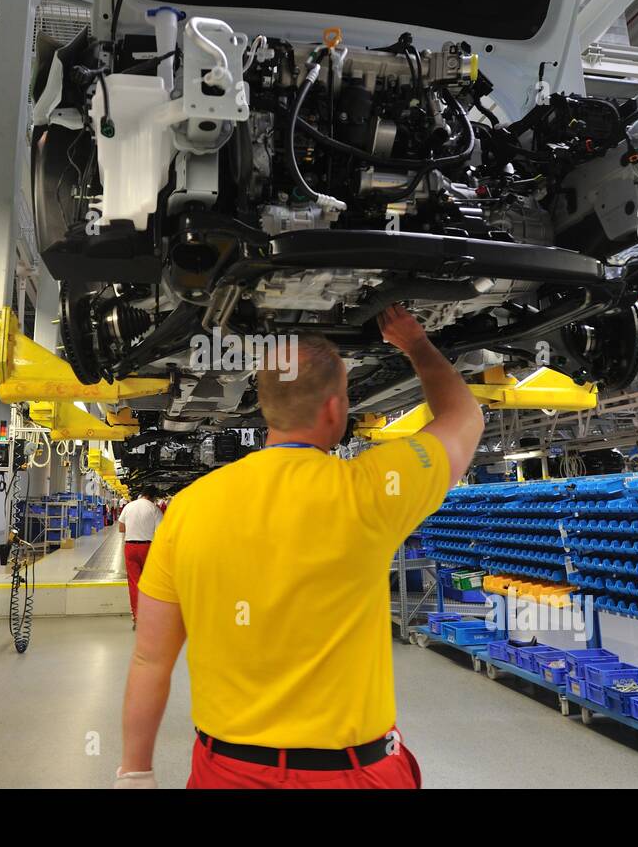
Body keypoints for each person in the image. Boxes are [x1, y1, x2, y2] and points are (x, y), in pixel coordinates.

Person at [115, 305, 484, 789]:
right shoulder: (374, 487)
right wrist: (415, 343)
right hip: (354, 774)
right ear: (335, 408)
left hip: (228, 772)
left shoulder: (187, 508)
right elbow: (464, 417)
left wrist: (135, 774)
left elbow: (150, 661)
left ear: (267, 407)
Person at [117, 489, 163, 628]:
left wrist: (134, 527)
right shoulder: (154, 508)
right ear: (151, 497)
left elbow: (121, 528)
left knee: (133, 582)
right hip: (147, 548)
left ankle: (137, 617)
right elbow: (160, 531)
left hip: (130, 547)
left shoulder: (128, 506)